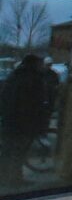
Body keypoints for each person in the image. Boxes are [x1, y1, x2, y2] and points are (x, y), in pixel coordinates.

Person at [0, 54, 48, 187]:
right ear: (35, 64)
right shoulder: (33, 79)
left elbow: (4, 98)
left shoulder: (14, 76)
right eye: (40, 63)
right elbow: (35, 104)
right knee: (18, 153)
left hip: (9, 121)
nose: (42, 66)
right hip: (24, 123)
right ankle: (15, 179)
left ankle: (4, 177)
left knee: (8, 151)